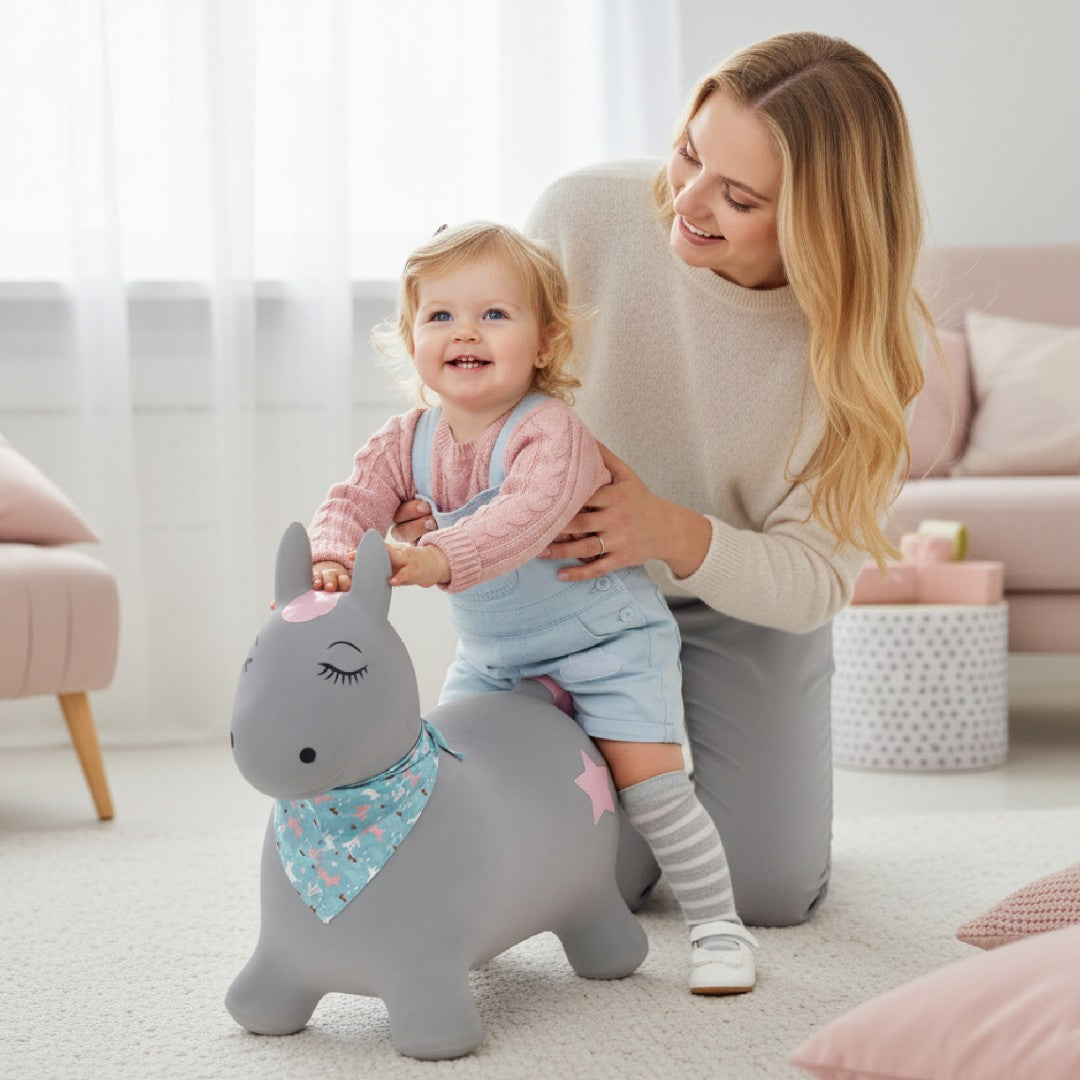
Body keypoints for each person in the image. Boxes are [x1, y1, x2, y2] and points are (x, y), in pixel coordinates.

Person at [391, 33, 934, 928]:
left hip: (742, 601)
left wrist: (672, 533)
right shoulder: (582, 215)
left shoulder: (865, 351)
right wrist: (444, 487)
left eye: (740, 195)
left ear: (821, 219)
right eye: (689, 151)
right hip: (571, 596)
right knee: (597, 877)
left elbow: (816, 579)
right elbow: (486, 389)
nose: (686, 201)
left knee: (765, 893)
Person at [307, 221, 760, 994]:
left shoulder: (551, 433)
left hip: (606, 641)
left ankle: (718, 927)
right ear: (411, 337)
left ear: (545, 343)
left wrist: (438, 556)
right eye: (440, 315)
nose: (465, 333)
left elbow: (521, 519)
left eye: (494, 314)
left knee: (648, 784)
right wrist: (331, 556)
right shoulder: (404, 440)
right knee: (442, 771)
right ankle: (466, 910)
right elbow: (351, 501)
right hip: (497, 656)